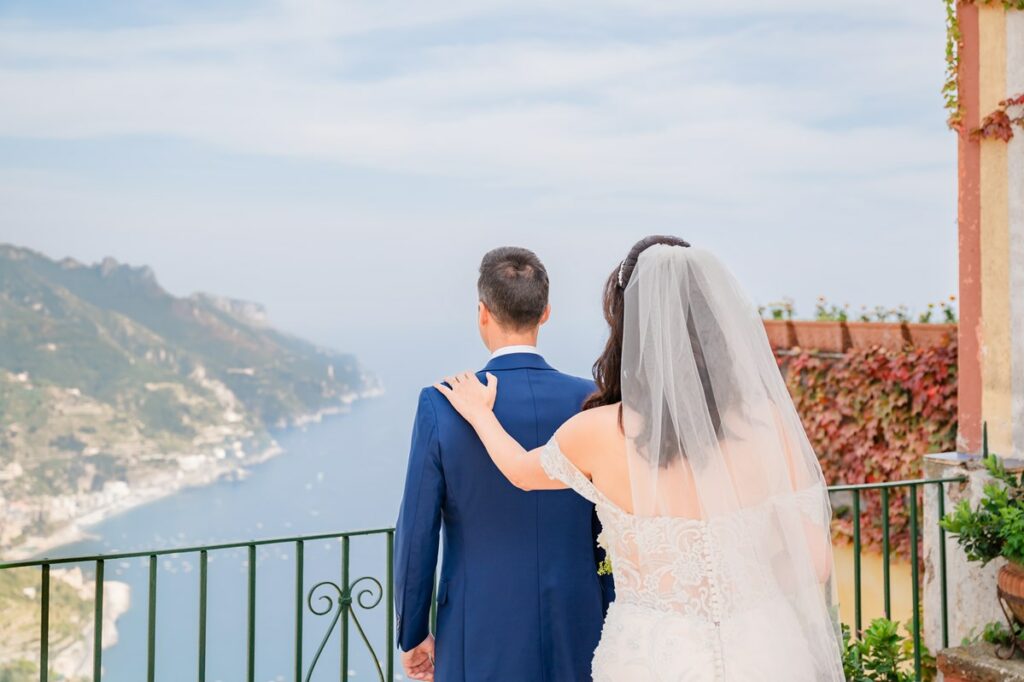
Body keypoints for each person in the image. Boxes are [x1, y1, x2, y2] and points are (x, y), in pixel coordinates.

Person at [434, 236, 846, 681]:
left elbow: (520, 472)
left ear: (628, 327)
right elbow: (816, 563)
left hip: (655, 656)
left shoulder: (598, 432)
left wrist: (479, 414)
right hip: (765, 648)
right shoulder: (769, 425)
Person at [394, 246, 613, 682]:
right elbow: (607, 522)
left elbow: (418, 531)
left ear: (482, 313)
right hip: (581, 617)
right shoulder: (592, 399)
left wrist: (413, 633)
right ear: (546, 313)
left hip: (478, 626)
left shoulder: (442, 404)